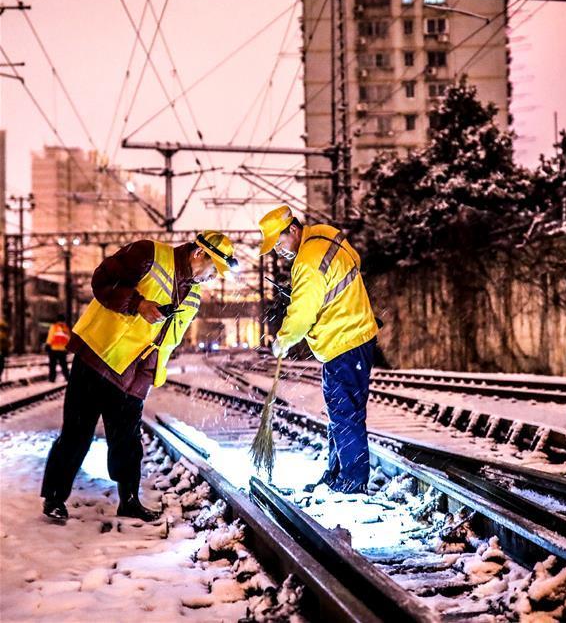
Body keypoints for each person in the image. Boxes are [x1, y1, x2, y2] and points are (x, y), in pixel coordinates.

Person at [41, 231, 238, 522]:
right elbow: (102, 282)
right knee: (77, 432)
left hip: (132, 373)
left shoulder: (193, 296)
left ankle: (129, 501)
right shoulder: (149, 254)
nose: (213, 278)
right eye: (213, 270)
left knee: (128, 440)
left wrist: (146, 380)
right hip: (97, 356)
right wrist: (137, 304)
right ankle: (54, 499)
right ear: (199, 254)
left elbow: (166, 341)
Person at [258, 205, 379, 494]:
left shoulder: (307, 261)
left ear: (293, 230)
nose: (278, 251)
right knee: (343, 411)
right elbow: (346, 272)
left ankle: (352, 480)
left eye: (279, 242)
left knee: (344, 412)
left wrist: (283, 340)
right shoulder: (327, 237)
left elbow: (301, 315)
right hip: (356, 336)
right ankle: (338, 473)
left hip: (343, 340)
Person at [46, 314, 71, 382]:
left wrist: (48, 345)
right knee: (64, 365)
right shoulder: (66, 328)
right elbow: (68, 339)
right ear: (64, 320)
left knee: (52, 365)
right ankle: (67, 377)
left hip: (54, 349)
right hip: (62, 350)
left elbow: (50, 336)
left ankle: (52, 378)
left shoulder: (54, 327)